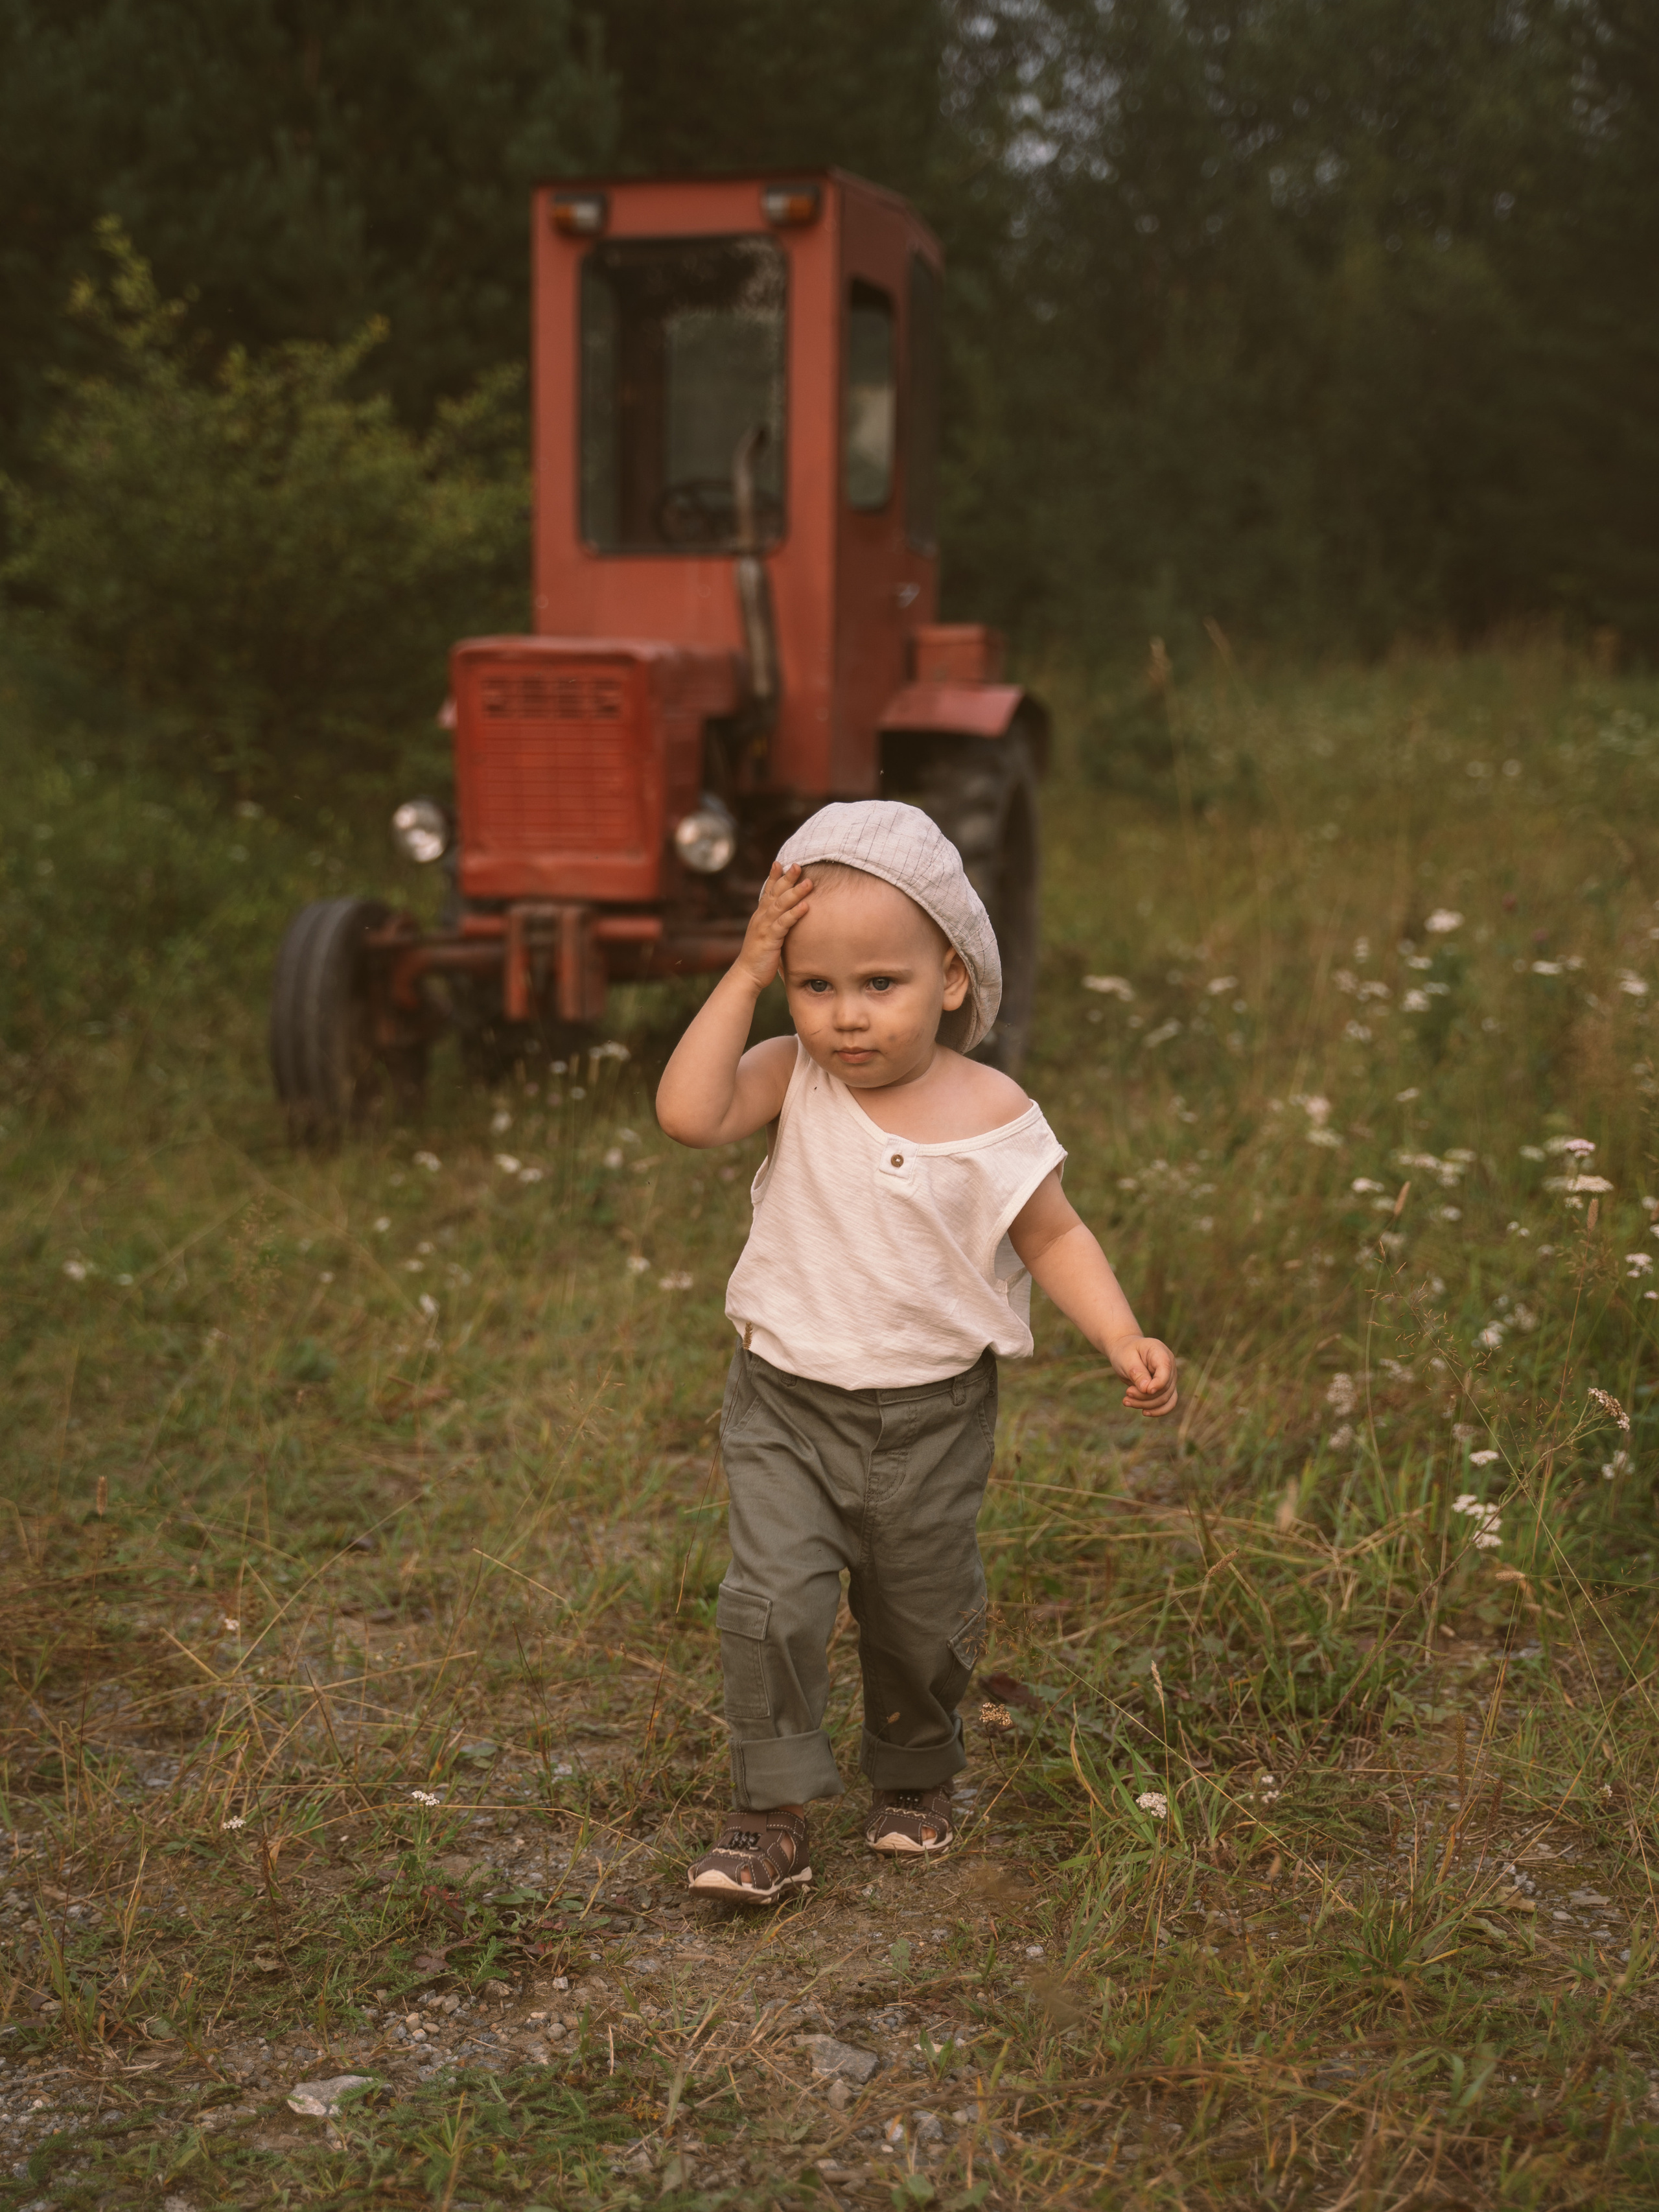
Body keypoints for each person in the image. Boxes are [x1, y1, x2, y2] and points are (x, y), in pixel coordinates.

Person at [655, 800, 1177, 1902]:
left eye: (879, 984)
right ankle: (770, 1812)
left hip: (933, 1417)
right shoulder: (793, 1073)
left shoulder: (993, 1109)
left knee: (919, 1610)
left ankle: (915, 1769)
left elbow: (1055, 1234)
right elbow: (689, 1113)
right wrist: (745, 973)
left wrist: (1121, 1334)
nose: (846, 1017)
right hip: (787, 1403)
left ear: (950, 976)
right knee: (774, 1601)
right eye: (816, 985)